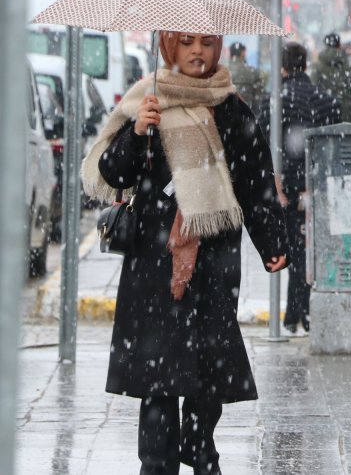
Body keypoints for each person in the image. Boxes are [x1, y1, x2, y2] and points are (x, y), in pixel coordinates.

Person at [81, 31, 291, 475]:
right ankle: (156, 462)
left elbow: (255, 182)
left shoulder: (230, 108)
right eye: (188, 43)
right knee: (158, 381)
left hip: (214, 260)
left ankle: (199, 447)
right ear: (168, 49)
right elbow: (113, 172)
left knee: (207, 371)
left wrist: (273, 242)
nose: (199, 52)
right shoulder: (147, 100)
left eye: (208, 43)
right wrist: (138, 133)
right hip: (154, 262)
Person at [259, 43, 341, 336]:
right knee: (315, 248)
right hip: (318, 184)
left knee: (293, 247)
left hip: (287, 188)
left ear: (282, 68)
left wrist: (274, 182)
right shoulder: (325, 100)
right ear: (305, 65)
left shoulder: (277, 100)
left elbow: (263, 144)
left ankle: (294, 313)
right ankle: (306, 312)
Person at [310, 33, 351, 124]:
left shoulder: (317, 67)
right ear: (339, 45)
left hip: (323, 112)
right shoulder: (348, 66)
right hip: (345, 111)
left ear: (325, 45)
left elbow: (313, 89)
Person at [226, 41, 265, 111]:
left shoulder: (223, 72)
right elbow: (258, 99)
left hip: (227, 115)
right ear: (243, 53)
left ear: (230, 54)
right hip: (247, 115)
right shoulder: (253, 72)